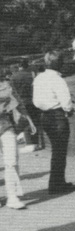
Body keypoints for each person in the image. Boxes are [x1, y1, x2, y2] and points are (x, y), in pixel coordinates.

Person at [33, 50, 75, 195]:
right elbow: (66, 102)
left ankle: (57, 182)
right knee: (59, 151)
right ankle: (56, 184)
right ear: (59, 63)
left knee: (56, 150)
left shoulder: (39, 78)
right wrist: (69, 110)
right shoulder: (58, 80)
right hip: (57, 116)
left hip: (45, 116)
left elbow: (36, 101)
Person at [0, 67, 37, 209]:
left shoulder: (6, 84)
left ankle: (12, 196)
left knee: (12, 161)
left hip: (5, 125)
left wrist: (29, 119)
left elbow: (19, 103)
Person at [10, 58, 43, 152]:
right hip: (33, 100)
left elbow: (12, 92)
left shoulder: (14, 77)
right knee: (34, 120)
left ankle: (29, 143)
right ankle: (35, 142)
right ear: (27, 64)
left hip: (20, 102)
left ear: (19, 65)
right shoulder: (32, 75)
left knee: (25, 121)